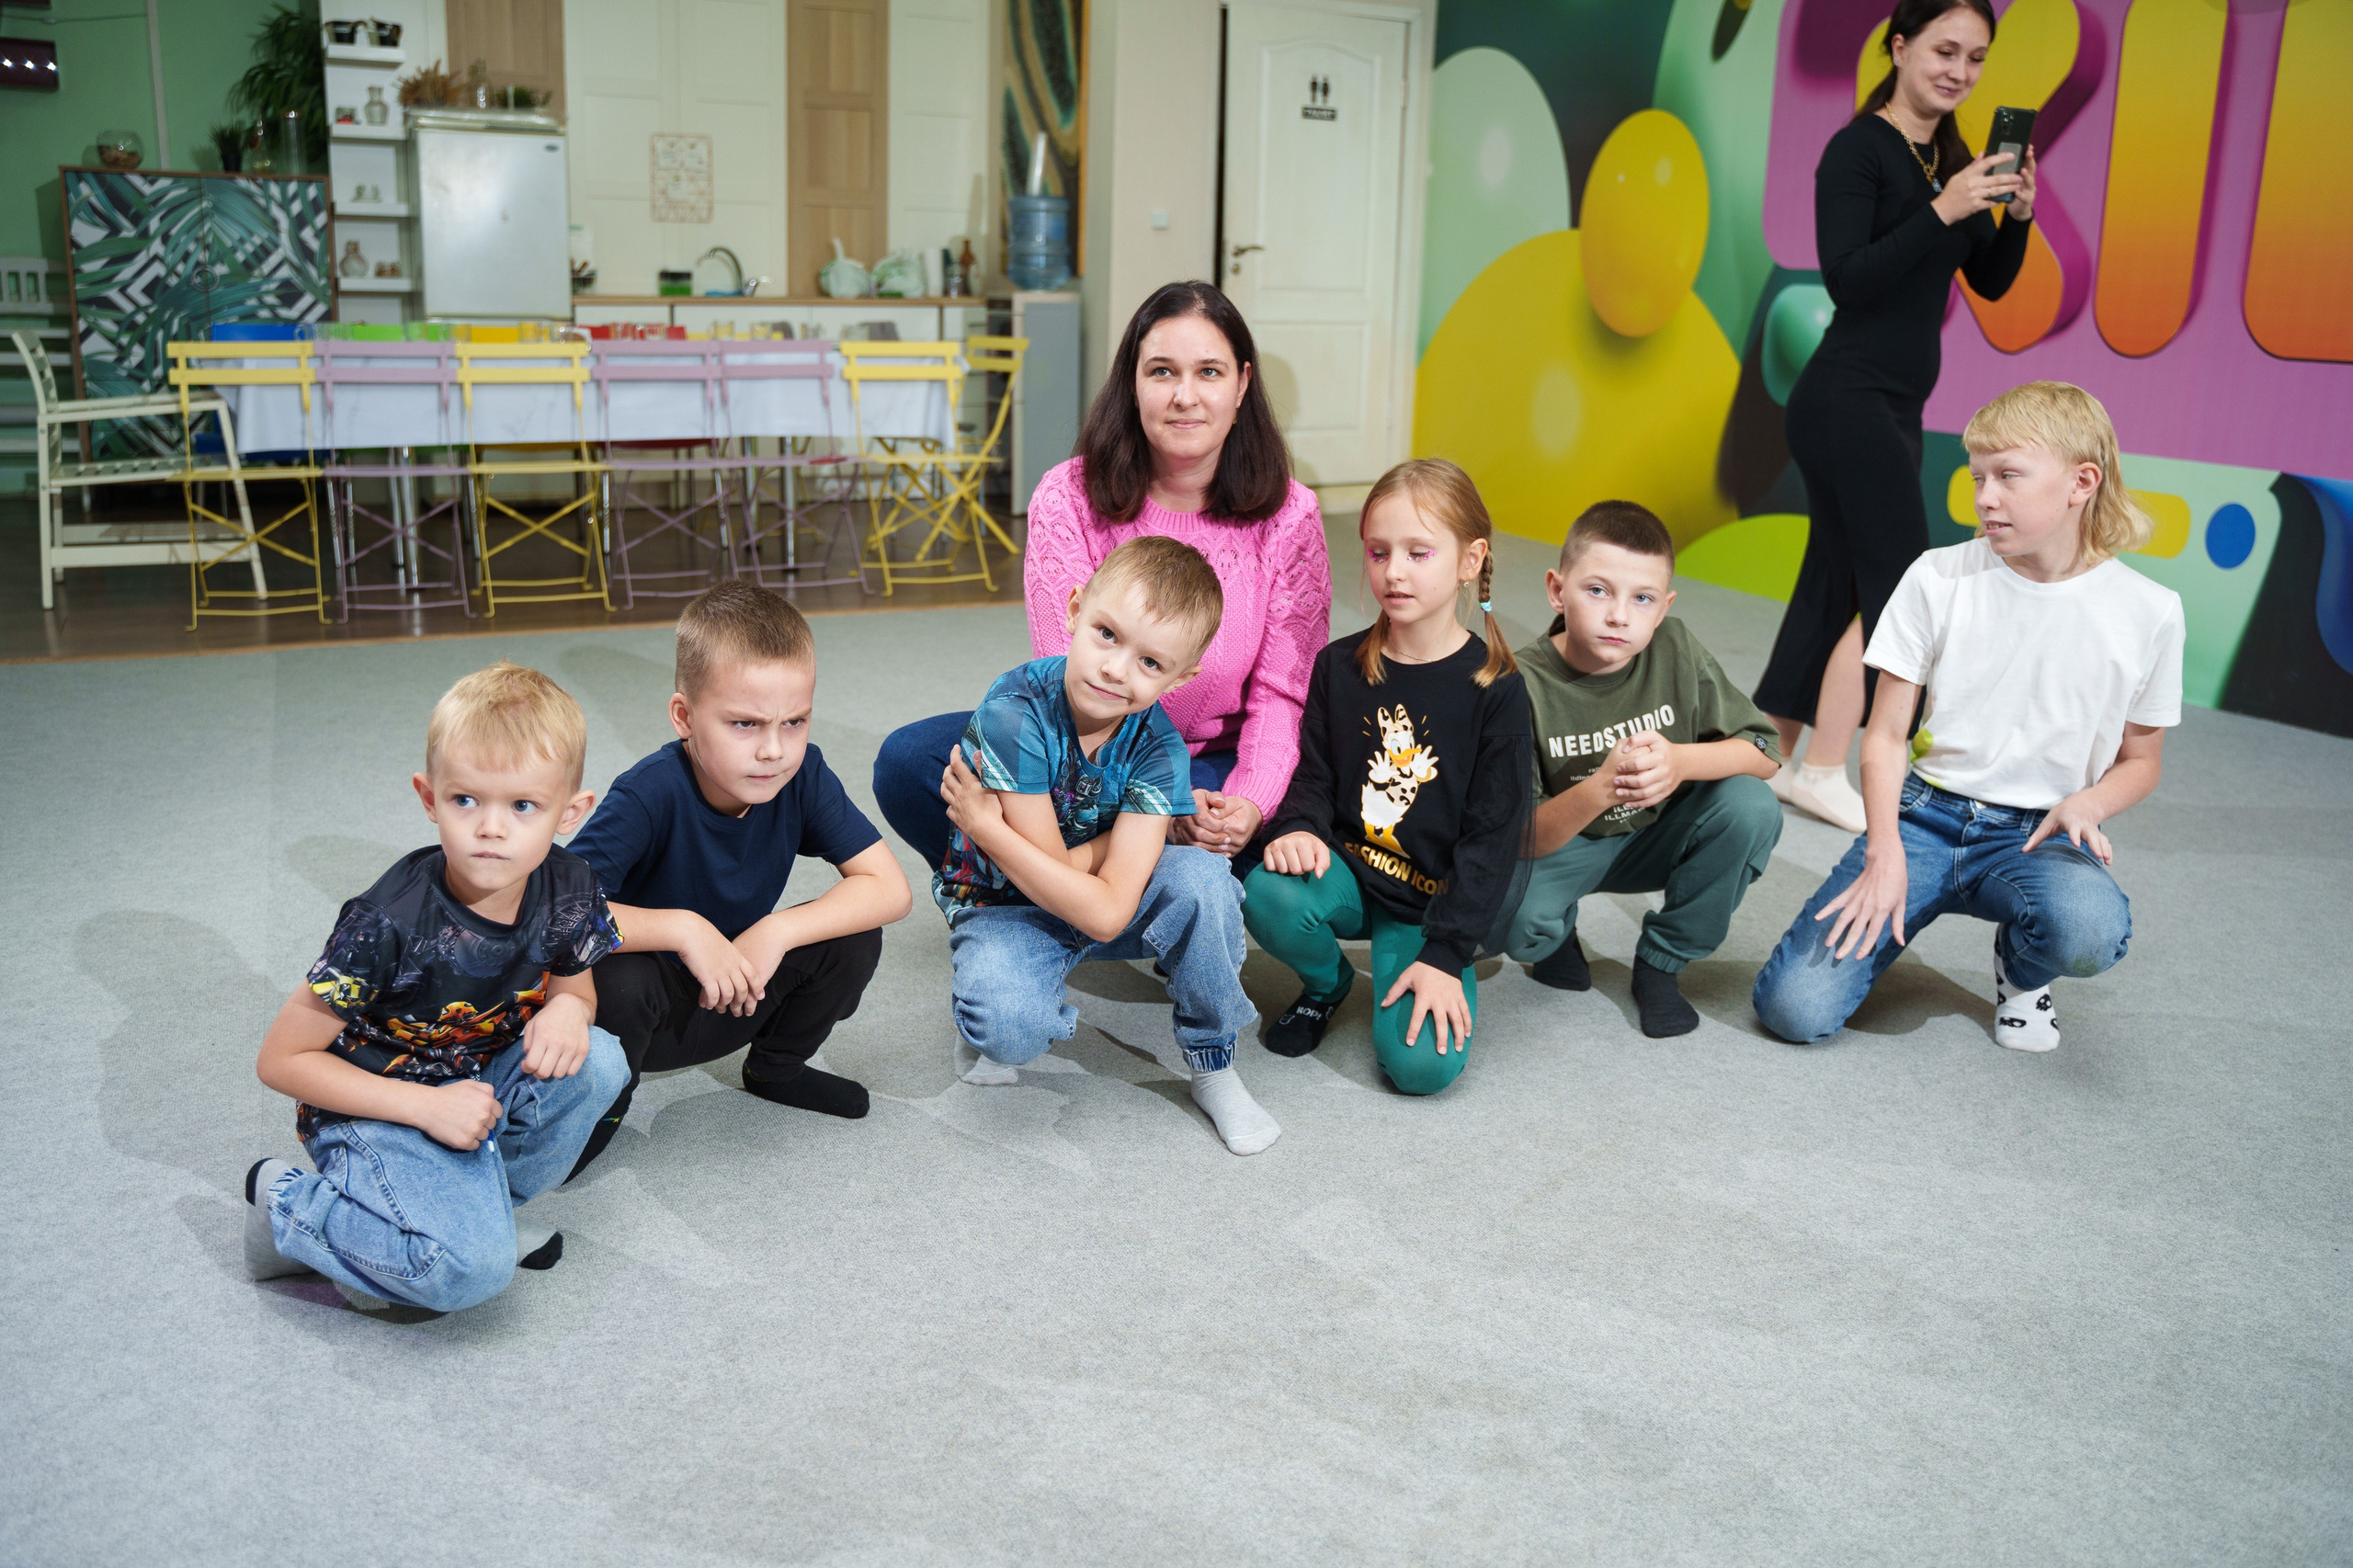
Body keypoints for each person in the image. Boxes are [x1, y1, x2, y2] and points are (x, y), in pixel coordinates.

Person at [1752, 381, 2183, 1050]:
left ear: (2082, 481)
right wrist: (1884, 846)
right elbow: (1887, 734)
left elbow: (2142, 761)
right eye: (1979, 476)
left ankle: (2022, 970)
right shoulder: (1936, 576)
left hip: (2038, 834)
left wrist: (2091, 803)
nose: (1985, 497)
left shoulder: (2150, 611)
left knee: (2088, 932)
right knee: (1794, 1011)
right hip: (1922, 817)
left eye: (2008, 476)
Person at [874, 280, 1331, 870]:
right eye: (1162, 371)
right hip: (1090, 751)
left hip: (1221, 764)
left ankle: (1087, 882)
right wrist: (1159, 801)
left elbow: (1282, 697)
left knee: (1312, 814)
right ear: (1132, 382)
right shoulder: (1068, 495)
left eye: (1210, 373)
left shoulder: (1290, 516)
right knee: (911, 760)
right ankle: (1110, 887)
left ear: (1243, 383)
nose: (1184, 396)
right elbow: (1085, 682)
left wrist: (1249, 803)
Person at [242, 662, 629, 1313]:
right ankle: (288, 1207)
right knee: (468, 1277)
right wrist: (422, 1108)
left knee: (600, 1058)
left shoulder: (571, 885)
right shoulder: (385, 923)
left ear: (571, 812)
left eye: (524, 805)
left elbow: (576, 991)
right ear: (429, 798)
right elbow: (280, 1061)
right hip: (374, 1109)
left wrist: (569, 1010)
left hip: (471, 1091)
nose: (491, 827)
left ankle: (482, 1212)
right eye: (465, 800)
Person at [1757, 0, 2038, 834]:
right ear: (1901, 46)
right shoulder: (1859, 150)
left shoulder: (1948, 155)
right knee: (1900, 592)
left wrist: (2012, 216)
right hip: (1845, 398)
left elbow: (1987, 280)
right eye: (1944, 51)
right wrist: (1943, 211)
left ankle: (1766, 762)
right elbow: (1849, 278)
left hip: (1895, 403)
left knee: (1829, 589)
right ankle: (1848, 767)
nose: (1959, 71)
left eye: (1977, 59)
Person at [935, 537, 1281, 1155]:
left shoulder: (1158, 746)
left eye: (1152, 663)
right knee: (1010, 1031)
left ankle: (1213, 1064)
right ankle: (986, 1010)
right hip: (1003, 902)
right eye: (1107, 635)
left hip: (1082, 894)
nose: (1117, 670)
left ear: (1183, 676)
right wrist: (1125, 842)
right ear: (1073, 610)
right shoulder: (1015, 713)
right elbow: (1041, 878)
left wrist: (988, 828)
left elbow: (1104, 912)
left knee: (1204, 881)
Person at [565, 580, 912, 1175]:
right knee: (616, 975)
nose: (774, 750)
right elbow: (555, 914)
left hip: (738, 987)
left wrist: (775, 932)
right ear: (685, 717)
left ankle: (775, 1068)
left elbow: (891, 889)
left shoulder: (803, 777)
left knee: (852, 928)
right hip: (639, 1017)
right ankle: (600, 1105)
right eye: (744, 725)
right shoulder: (647, 795)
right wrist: (683, 931)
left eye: (795, 722)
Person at [1244, 460, 1532, 1096]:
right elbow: (1313, 776)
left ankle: (1412, 968)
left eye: (1418, 552)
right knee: (1268, 890)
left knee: (1422, 1070)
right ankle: (1327, 986)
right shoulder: (1337, 667)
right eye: (1379, 552)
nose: (1393, 571)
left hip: (1430, 909)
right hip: (1348, 873)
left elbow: (1493, 844)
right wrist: (1296, 827)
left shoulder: (1499, 692)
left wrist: (1446, 955)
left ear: (1469, 560)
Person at [1494, 502, 1785, 1039]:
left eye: (1643, 599)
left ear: (1664, 605)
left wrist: (1680, 761)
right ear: (1558, 590)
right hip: (1566, 841)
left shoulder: (1674, 647)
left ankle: (1661, 962)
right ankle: (1558, 934)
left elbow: (1765, 750)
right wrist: (1601, 787)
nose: (1619, 616)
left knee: (1750, 806)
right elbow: (1522, 838)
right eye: (1598, 590)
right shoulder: (1518, 683)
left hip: (1656, 833)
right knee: (1505, 915)